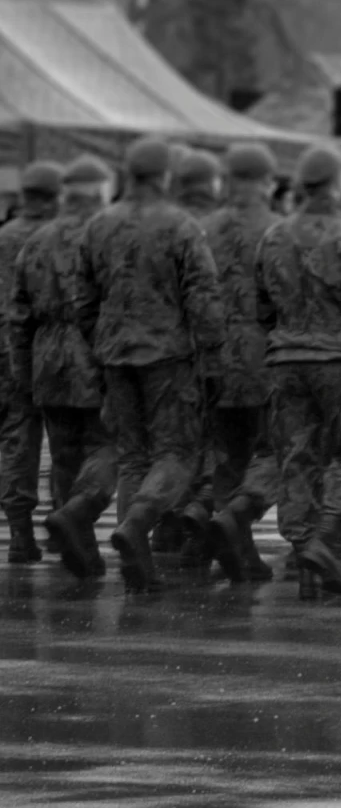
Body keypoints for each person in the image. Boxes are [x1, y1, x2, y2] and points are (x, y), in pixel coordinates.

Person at [248, 144, 341, 597]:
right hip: (340, 365)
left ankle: (304, 552)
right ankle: (328, 535)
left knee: (298, 457)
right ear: (340, 182)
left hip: (285, 362)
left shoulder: (272, 237)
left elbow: (261, 309)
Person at [80, 136, 225, 592]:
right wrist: (213, 357)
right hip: (169, 355)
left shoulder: (98, 225)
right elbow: (202, 297)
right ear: (166, 175)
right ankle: (137, 526)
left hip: (114, 354)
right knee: (175, 453)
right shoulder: (180, 225)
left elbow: (83, 300)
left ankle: (133, 557)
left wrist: (102, 343)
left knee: (132, 458)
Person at [18, 159, 112, 577]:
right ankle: (76, 514)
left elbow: (17, 316)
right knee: (108, 445)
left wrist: (24, 369)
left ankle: (78, 546)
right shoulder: (108, 234)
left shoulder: (37, 240)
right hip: (95, 351)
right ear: (100, 190)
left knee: (63, 454)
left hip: (47, 355)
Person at [191, 143, 281, 556]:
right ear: (267, 181)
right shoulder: (280, 230)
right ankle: (237, 527)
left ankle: (233, 547)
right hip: (265, 358)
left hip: (210, 358)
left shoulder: (199, 228)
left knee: (225, 455)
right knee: (273, 449)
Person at [0, 162, 60, 561]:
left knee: (17, 440)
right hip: (52, 346)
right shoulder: (58, 237)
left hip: (5, 347)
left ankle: (21, 531)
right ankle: (66, 521)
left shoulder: (4, 236)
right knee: (68, 438)